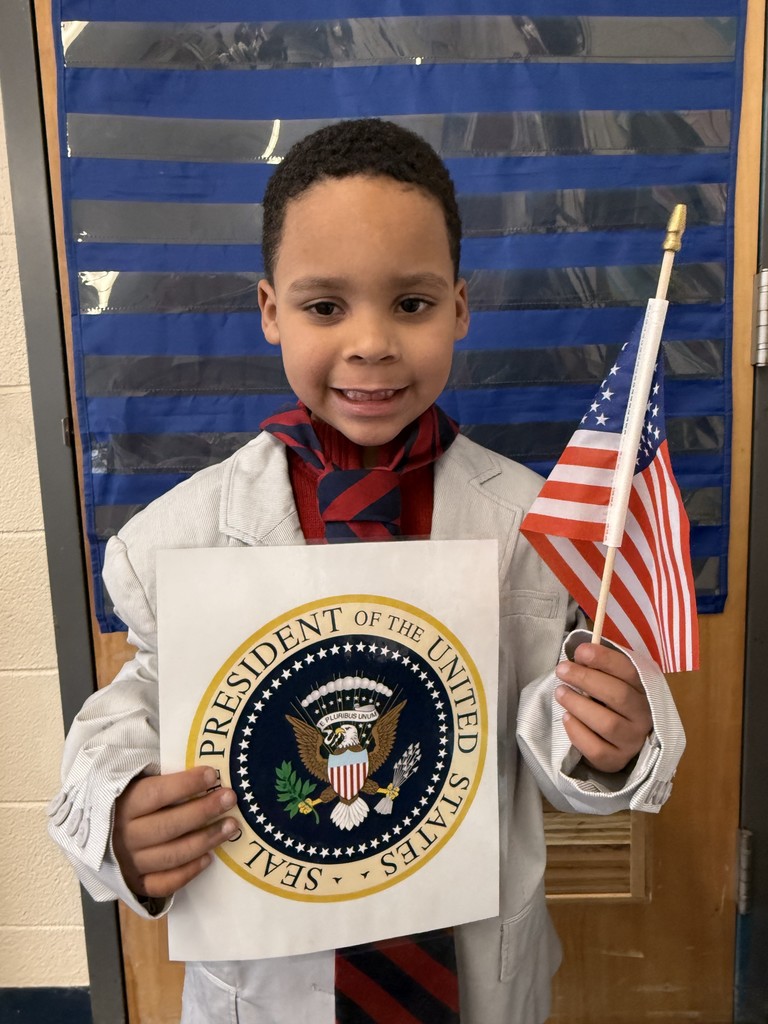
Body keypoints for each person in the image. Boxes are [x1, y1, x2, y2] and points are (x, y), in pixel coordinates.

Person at [49, 118, 684, 1024]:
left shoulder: (532, 525)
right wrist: (119, 816)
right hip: (265, 988)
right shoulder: (176, 540)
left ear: (460, 308)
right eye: (324, 307)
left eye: (413, 305)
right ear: (269, 309)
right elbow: (133, 709)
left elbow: (553, 723)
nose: (372, 343)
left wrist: (604, 738)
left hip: (473, 980)